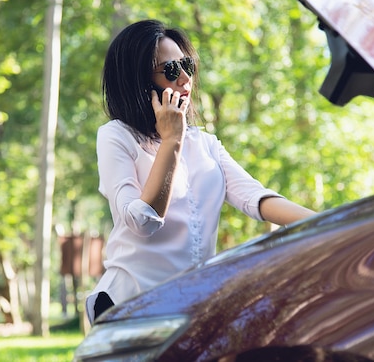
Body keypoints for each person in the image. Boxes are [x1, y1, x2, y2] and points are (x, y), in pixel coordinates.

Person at [86, 19, 316, 324]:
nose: (185, 79)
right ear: (139, 81)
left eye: (187, 65)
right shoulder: (116, 136)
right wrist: (171, 140)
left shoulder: (206, 144)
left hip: (192, 310)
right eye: (170, 70)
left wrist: (336, 224)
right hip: (131, 306)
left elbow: (256, 198)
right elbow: (142, 221)